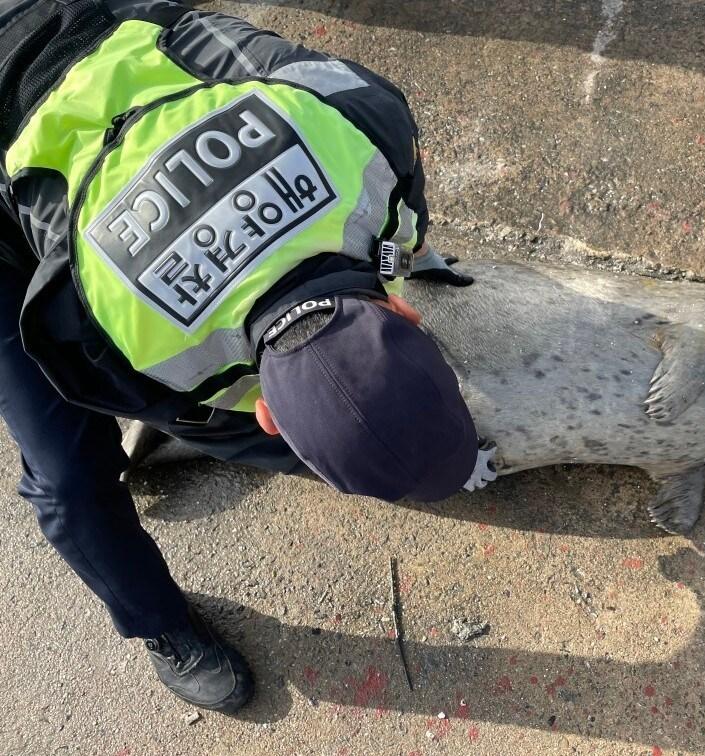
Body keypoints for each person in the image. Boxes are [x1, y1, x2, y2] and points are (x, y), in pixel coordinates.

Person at [0, 0, 496, 713]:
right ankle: (160, 626)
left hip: (98, 28)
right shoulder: (104, 337)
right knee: (70, 478)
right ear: (262, 416)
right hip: (31, 147)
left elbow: (212, 39)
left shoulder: (368, 126)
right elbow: (115, 385)